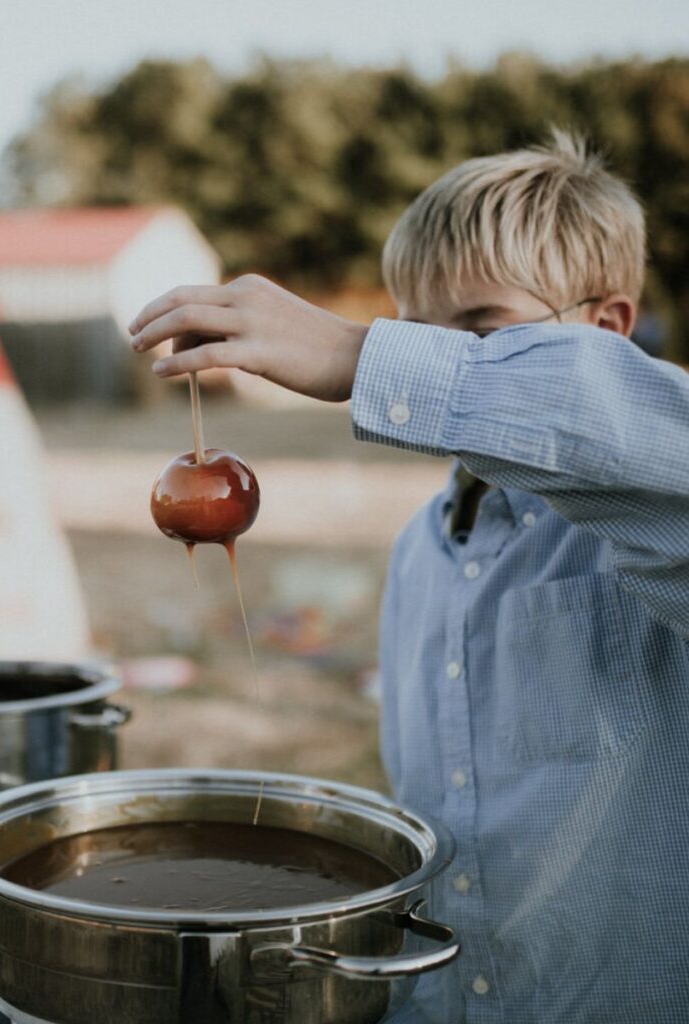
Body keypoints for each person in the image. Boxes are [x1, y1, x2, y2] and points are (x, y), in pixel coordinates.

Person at [129, 132, 689, 1023]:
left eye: (481, 331)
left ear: (608, 330)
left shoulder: (651, 530)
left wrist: (366, 356)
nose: (442, 358)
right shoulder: (419, 551)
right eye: (413, 332)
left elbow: (650, 441)